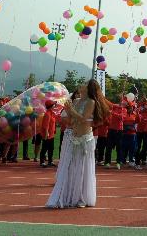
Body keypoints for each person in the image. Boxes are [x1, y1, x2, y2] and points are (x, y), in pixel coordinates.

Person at [46, 79, 110, 209]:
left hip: (85, 139)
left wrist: (71, 110)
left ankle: (81, 197)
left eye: (85, 84)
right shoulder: (75, 101)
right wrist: (67, 110)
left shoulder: (91, 102)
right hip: (73, 137)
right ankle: (69, 196)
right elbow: (71, 120)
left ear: (89, 88)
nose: (82, 85)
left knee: (82, 169)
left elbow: (83, 118)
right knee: (71, 167)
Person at [39, 100, 58, 167]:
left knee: (51, 148)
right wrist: (46, 134)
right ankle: (42, 161)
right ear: (51, 106)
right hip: (47, 134)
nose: (55, 105)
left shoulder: (52, 113)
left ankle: (50, 161)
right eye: (53, 104)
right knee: (44, 148)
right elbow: (45, 125)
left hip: (51, 134)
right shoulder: (47, 114)